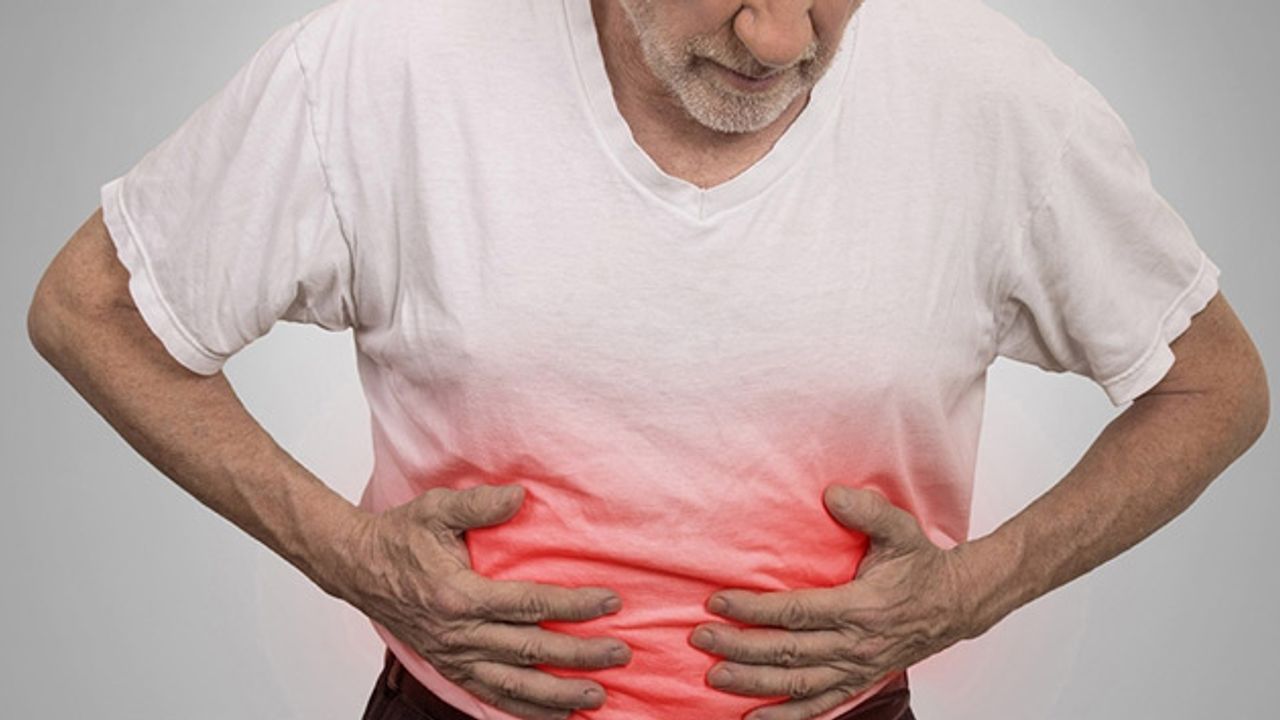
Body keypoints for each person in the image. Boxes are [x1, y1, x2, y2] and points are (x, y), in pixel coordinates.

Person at [26, 0, 1269, 718]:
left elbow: (1212, 385)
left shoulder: (997, 101)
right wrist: (351, 557)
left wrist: (969, 592)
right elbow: (91, 308)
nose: (775, 36)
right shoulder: (383, 66)